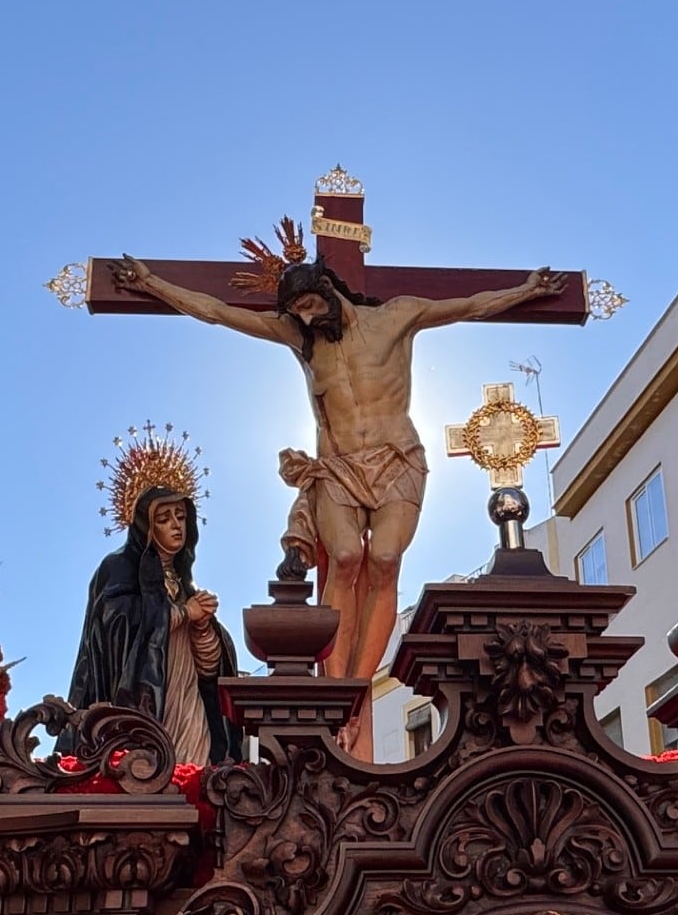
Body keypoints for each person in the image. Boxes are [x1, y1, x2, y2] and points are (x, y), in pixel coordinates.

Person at [110, 254, 565, 684]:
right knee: (345, 556)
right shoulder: (298, 338)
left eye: (308, 305)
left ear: (326, 288)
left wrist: (526, 291)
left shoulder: (395, 317)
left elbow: (468, 306)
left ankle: (361, 683)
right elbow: (217, 312)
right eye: (297, 312)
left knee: (385, 560)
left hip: (397, 459)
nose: (305, 319)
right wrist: (151, 283)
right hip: (338, 467)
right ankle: (337, 683)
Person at [67, 485, 241, 765]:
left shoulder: (186, 585)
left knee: (192, 766)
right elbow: (115, 625)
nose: (176, 526)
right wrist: (183, 614)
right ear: (146, 526)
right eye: (164, 519)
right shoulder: (119, 566)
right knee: (149, 766)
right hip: (144, 694)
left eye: (181, 517)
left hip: (186, 695)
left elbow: (209, 670)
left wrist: (203, 628)